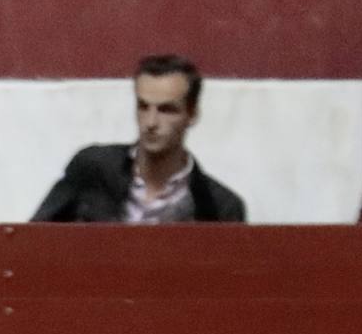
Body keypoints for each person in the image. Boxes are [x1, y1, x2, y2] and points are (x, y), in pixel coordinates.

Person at [32, 54, 246, 223]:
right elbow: (33, 242)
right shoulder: (92, 168)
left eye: (166, 110)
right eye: (143, 107)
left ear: (192, 115)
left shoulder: (219, 206)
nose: (151, 122)